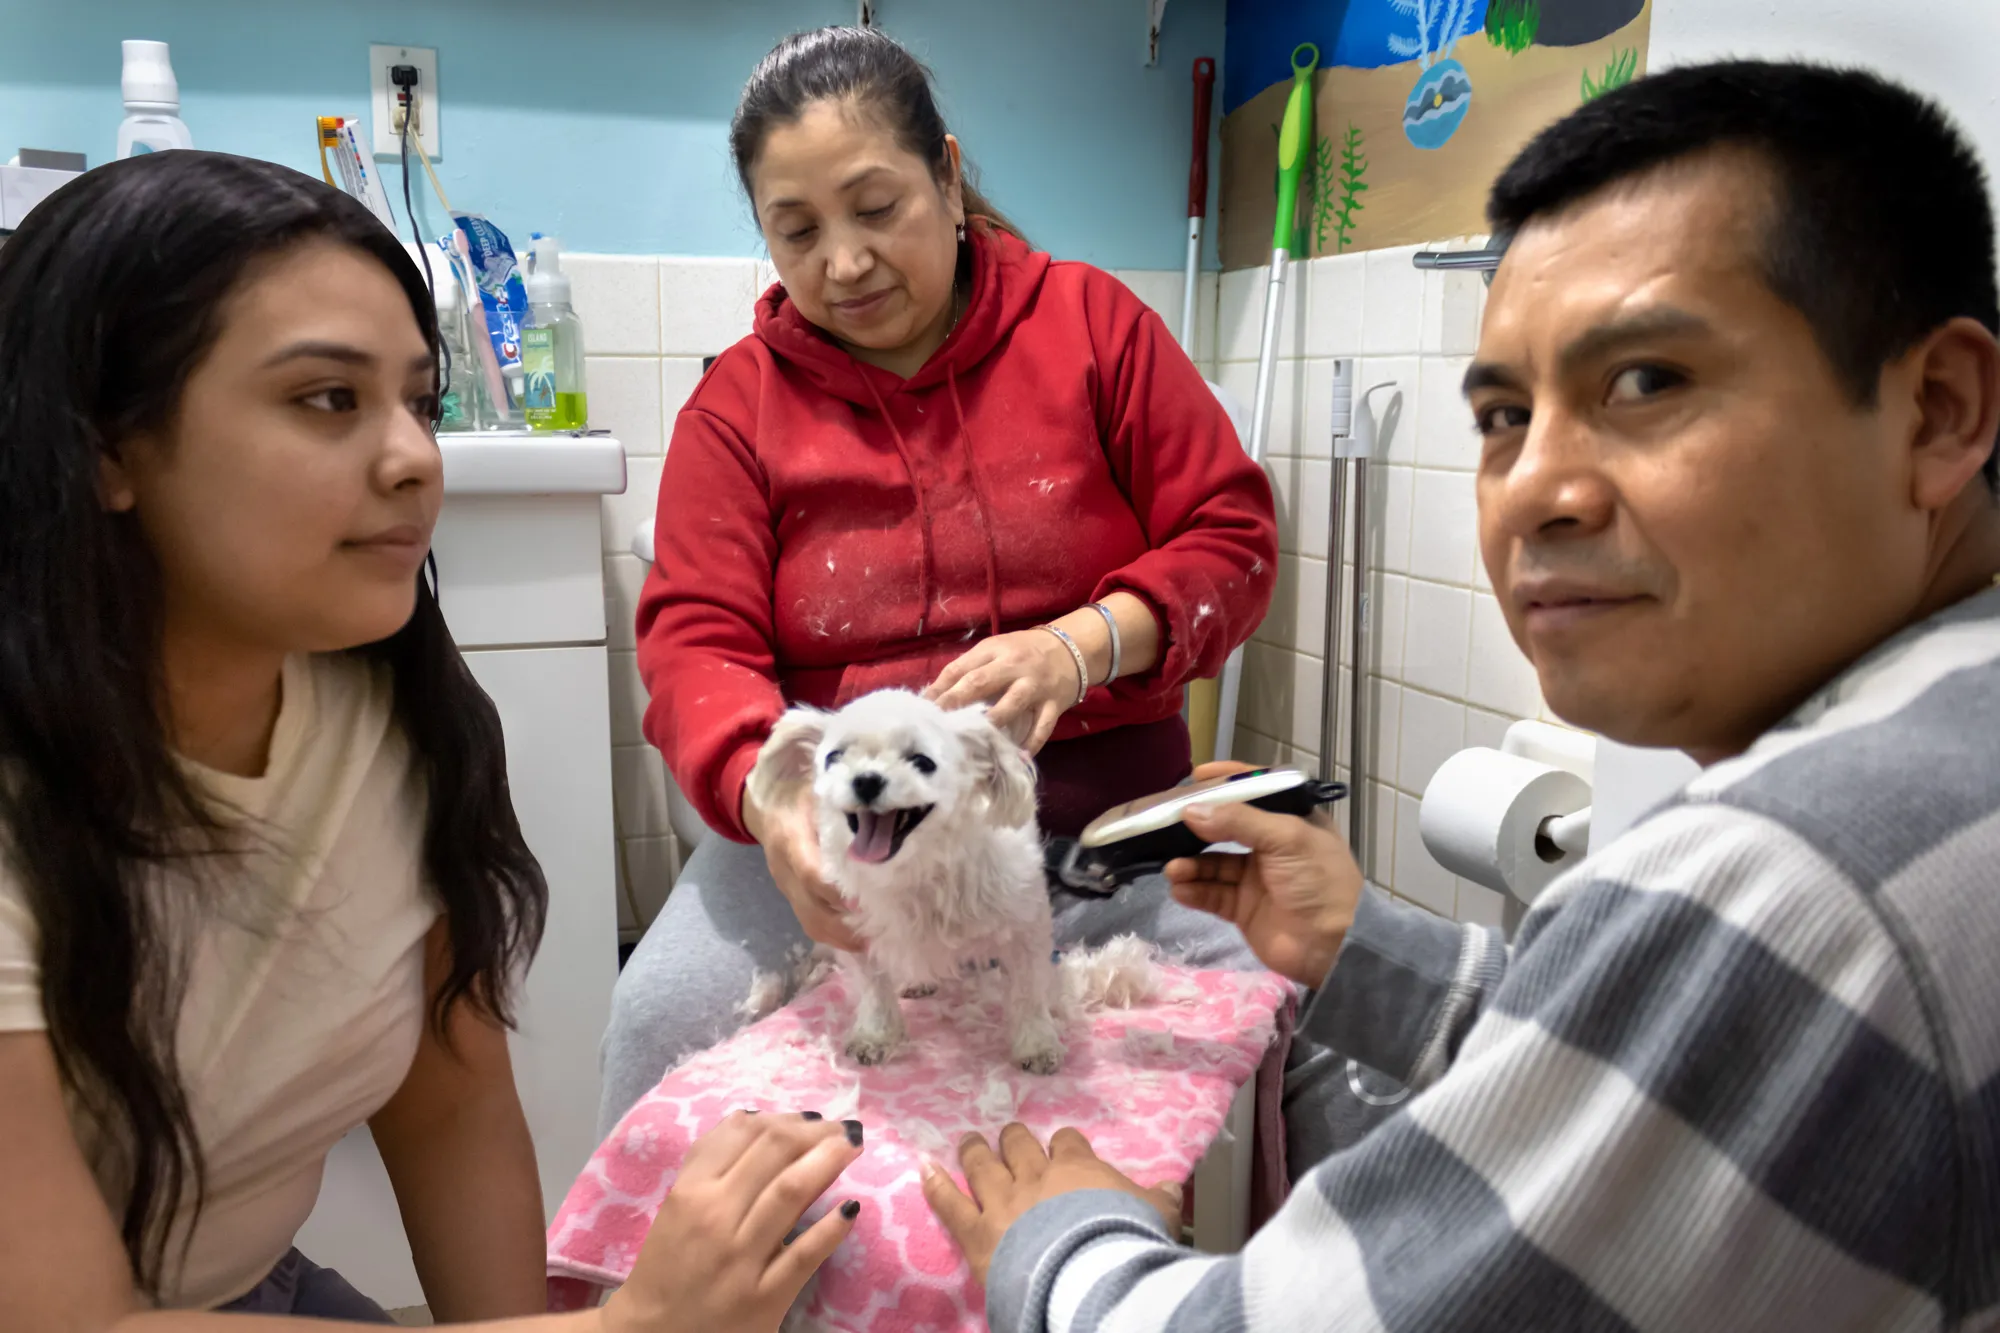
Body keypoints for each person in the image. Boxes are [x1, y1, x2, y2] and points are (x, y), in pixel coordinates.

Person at [923, 60, 2000, 1332]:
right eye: (1501, 413)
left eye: (1645, 382)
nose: (1534, 488)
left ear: (1938, 411)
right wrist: (1363, 945)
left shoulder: (1796, 876)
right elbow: (1656, 1066)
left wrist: (1054, 1238)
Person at [0, 152, 862, 1333]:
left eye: (419, 402)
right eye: (327, 399)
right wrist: (625, 1328)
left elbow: (448, 1107)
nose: (414, 458)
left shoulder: (391, 721)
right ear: (105, 446)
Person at [601, 26, 1279, 1133]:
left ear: (948, 178)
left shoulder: (1092, 328)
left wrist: (1080, 645)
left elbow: (1231, 537)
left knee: (1268, 998)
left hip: (1102, 831)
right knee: (658, 1016)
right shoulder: (738, 408)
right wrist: (774, 814)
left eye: (876, 208)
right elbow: (694, 647)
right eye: (797, 231)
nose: (844, 263)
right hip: (845, 850)